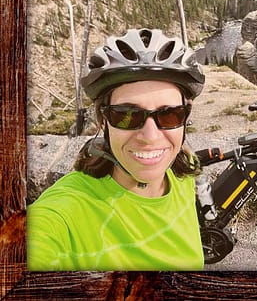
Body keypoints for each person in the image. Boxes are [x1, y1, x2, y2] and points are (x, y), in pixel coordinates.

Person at [27, 28, 205, 271]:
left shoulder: (183, 174)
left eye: (169, 114)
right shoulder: (64, 213)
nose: (150, 137)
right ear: (103, 120)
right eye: (127, 116)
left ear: (185, 117)